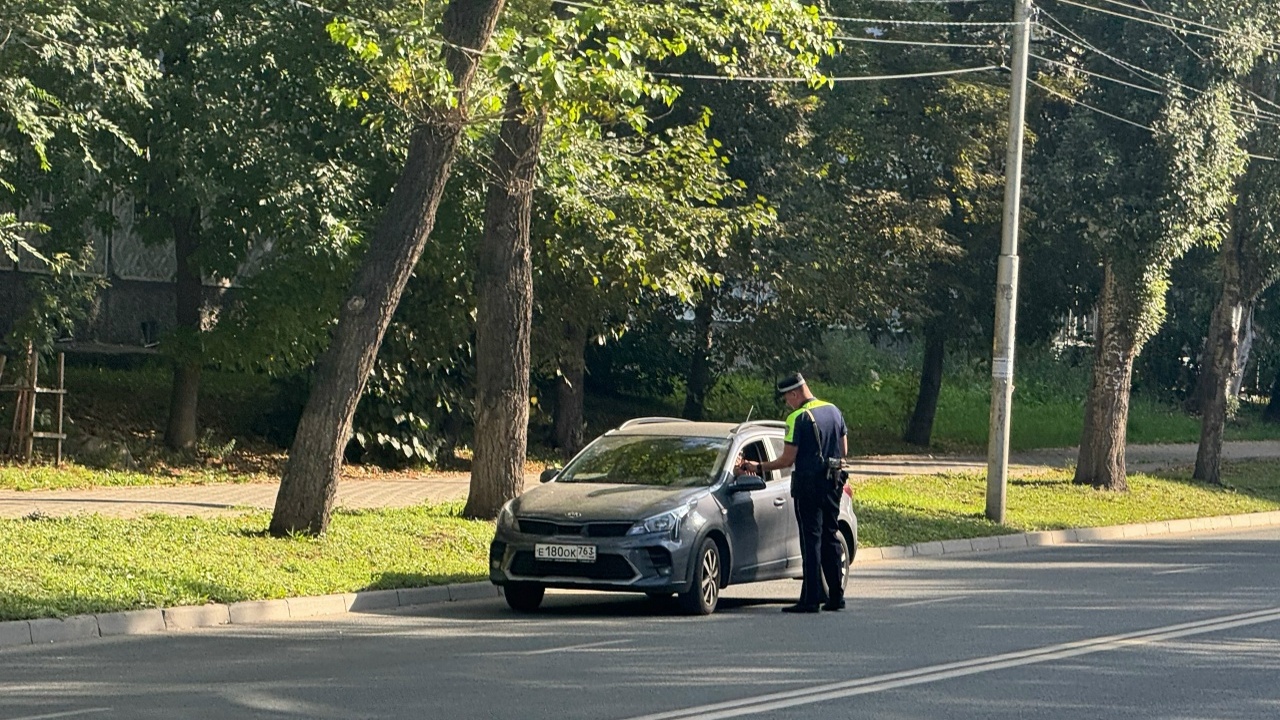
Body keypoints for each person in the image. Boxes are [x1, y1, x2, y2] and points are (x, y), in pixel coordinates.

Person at [737, 372, 848, 613]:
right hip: (833, 482)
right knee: (830, 535)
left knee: (811, 540)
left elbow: (787, 460)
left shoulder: (797, 417)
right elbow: (844, 449)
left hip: (809, 485)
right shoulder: (833, 410)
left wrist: (758, 467)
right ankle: (836, 596)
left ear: (796, 393)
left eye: (788, 397)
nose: (788, 402)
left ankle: (810, 599)